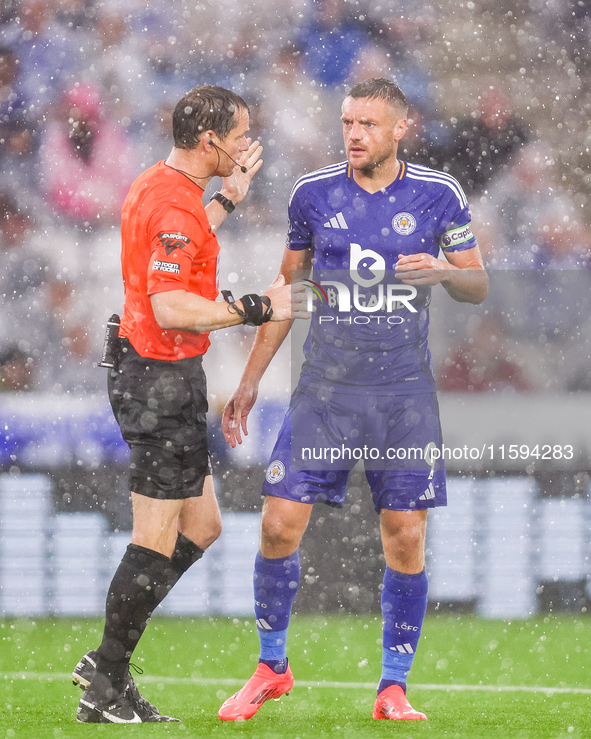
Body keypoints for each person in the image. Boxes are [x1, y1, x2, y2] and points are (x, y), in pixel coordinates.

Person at [218, 78, 488, 723]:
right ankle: (271, 667)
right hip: (325, 393)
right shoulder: (313, 194)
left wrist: (446, 274)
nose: (354, 134)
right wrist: (252, 379)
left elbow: (477, 285)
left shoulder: (437, 194)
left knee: (404, 537)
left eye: (368, 123)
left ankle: (393, 687)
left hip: (401, 396)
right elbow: (291, 291)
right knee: (279, 523)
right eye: (347, 122)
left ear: (401, 128)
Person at [72, 84, 307, 724]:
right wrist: (251, 307)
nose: (246, 144)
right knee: (154, 539)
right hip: (159, 381)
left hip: (155, 376)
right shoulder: (174, 209)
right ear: (209, 141)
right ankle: (105, 683)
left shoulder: (160, 186)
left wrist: (227, 200)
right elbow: (170, 307)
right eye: (238, 135)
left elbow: (178, 241)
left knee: (201, 527)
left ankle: (106, 663)